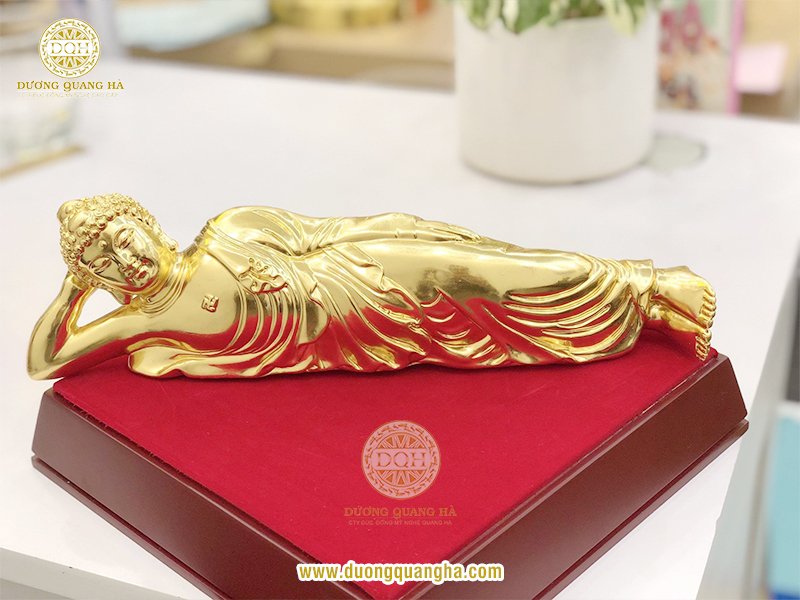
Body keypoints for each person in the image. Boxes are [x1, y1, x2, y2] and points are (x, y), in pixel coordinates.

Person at [28, 194, 715, 379]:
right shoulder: (146, 322)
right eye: (104, 261)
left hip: (365, 273)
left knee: (500, 275)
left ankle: (651, 283)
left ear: (149, 225)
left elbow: (333, 231)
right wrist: (72, 290)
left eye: (125, 239)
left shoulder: (229, 230)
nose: (126, 260)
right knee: (511, 331)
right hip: (357, 340)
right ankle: (644, 302)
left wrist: (416, 230)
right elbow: (46, 363)